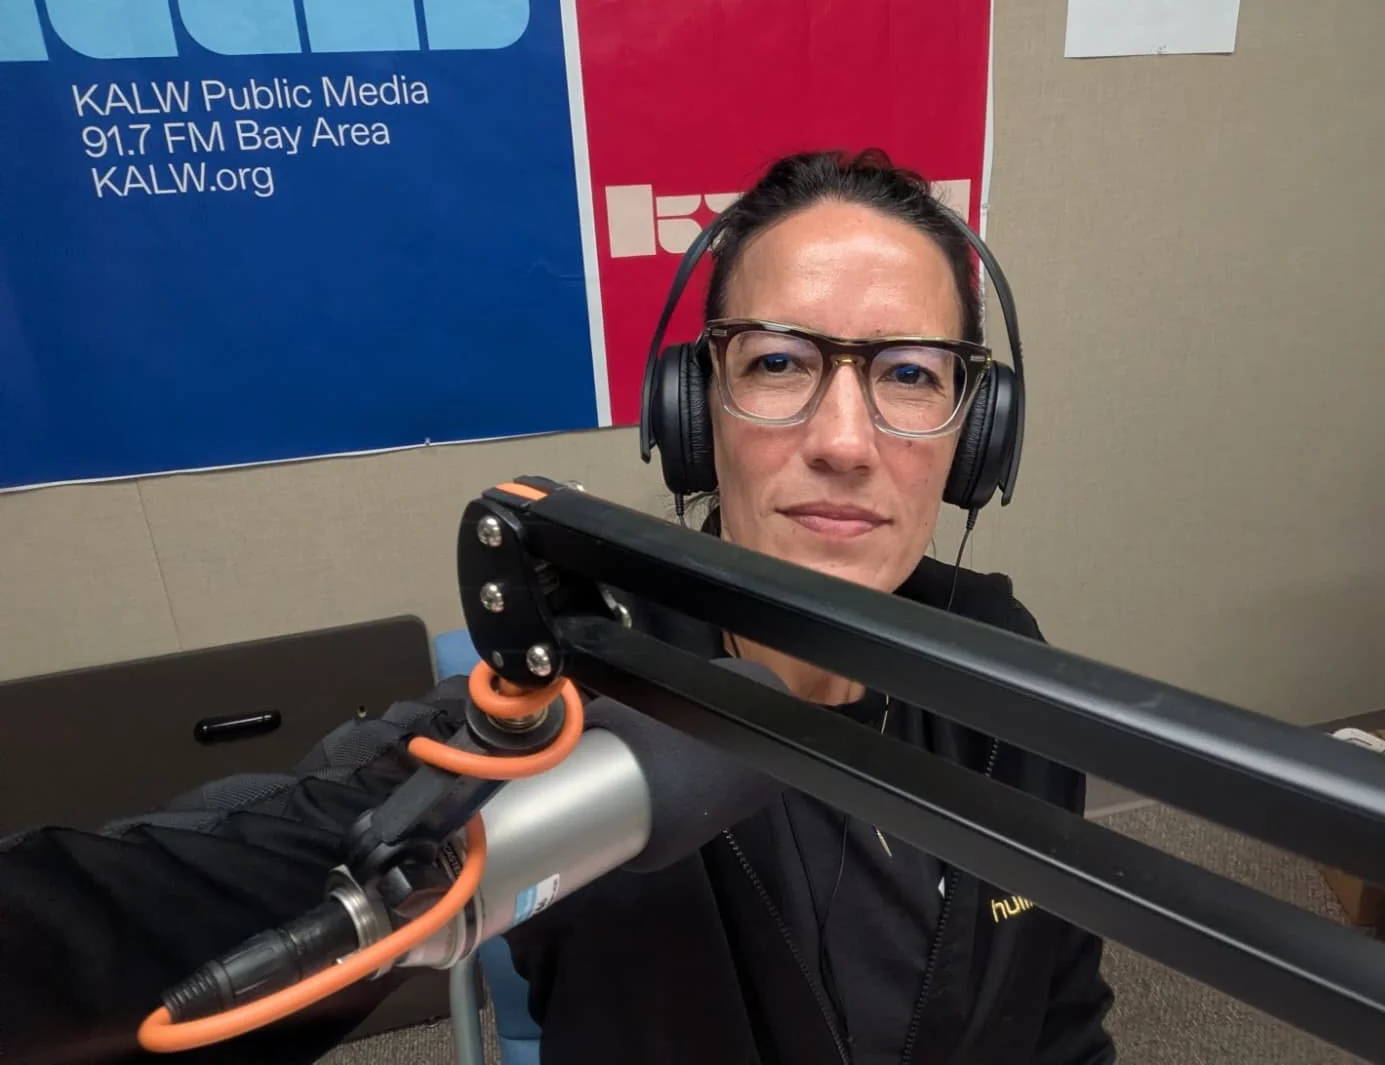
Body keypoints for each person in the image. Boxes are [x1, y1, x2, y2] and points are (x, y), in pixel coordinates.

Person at [0, 149, 1115, 1065]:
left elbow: (1061, 1015)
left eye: (910, 375)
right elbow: (140, 911)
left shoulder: (1002, 678)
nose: (841, 440)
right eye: (779, 364)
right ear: (695, 412)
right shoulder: (586, 701)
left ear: (974, 435)